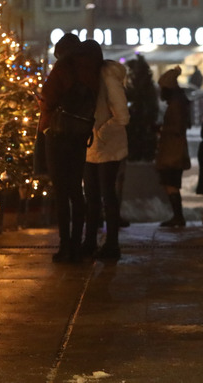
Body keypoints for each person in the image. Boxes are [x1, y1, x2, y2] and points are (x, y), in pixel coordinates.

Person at [38, 35, 101, 263]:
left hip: (58, 133)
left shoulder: (64, 66)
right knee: (76, 190)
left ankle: (65, 247)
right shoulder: (92, 67)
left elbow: (47, 97)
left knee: (61, 192)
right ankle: (77, 243)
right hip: (80, 135)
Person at [82, 55, 129, 260]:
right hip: (92, 147)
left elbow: (122, 116)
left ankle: (112, 244)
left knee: (107, 196)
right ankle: (90, 242)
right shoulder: (89, 77)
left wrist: (101, 134)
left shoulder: (107, 78)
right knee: (92, 196)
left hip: (109, 148)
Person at [155, 66, 191, 227]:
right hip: (174, 150)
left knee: (171, 183)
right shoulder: (178, 102)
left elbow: (176, 128)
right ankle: (178, 216)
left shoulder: (176, 105)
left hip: (172, 152)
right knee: (171, 184)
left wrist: (160, 129)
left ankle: (178, 216)